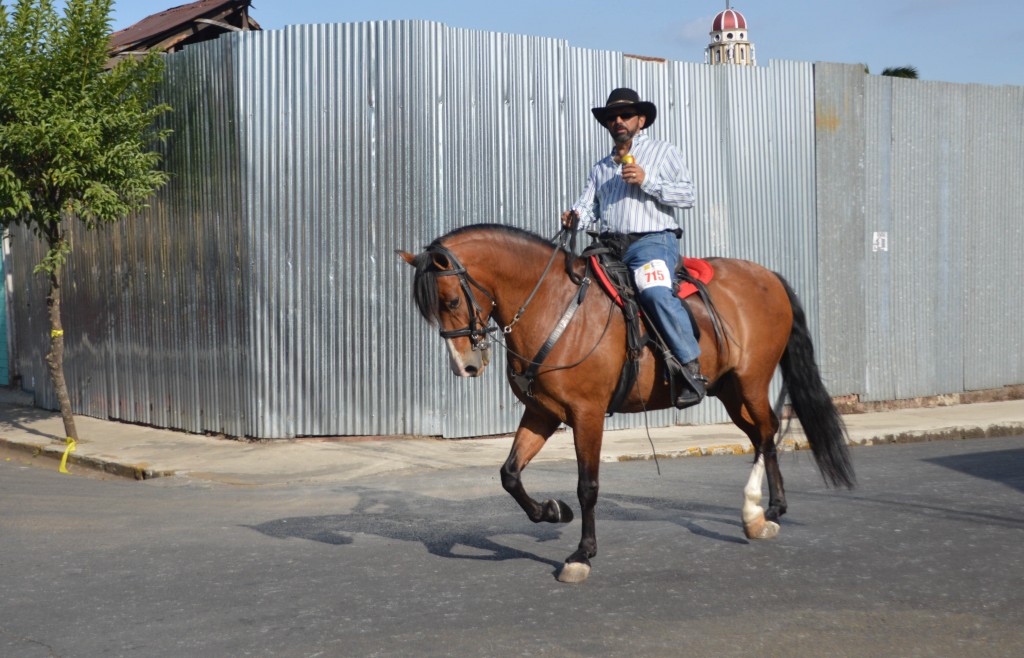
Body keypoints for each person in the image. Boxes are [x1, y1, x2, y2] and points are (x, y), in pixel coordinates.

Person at [561, 87, 705, 407]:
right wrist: (575, 217)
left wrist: (646, 180)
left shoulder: (664, 152)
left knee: (653, 292)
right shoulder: (600, 168)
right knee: (577, 289)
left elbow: (687, 197)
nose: (618, 121)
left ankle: (689, 368)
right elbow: (588, 208)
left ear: (641, 120)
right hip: (610, 247)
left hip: (652, 242)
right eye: (612, 117)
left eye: (626, 115)